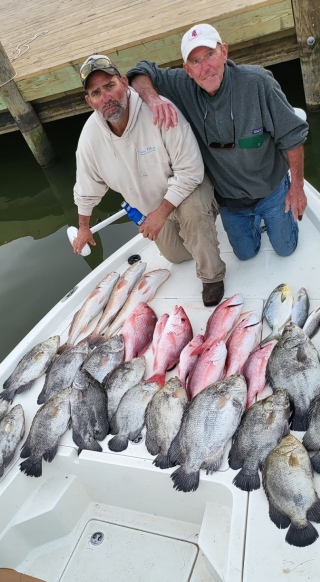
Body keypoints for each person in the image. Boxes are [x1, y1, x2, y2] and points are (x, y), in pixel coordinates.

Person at [126, 23, 309, 261]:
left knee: (286, 249)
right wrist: (153, 100)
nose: (205, 67)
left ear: (224, 52)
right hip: (232, 200)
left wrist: (297, 187)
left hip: (271, 189)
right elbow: (140, 71)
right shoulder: (183, 85)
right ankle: (252, 222)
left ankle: (279, 217)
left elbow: (292, 135)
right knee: (246, 254)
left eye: (210, 54)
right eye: (195, 61)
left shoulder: (258, 82)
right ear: (187, 70)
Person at [72, 54, 226, 306]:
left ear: (124, 82)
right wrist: (84, 226)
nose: (106, 97)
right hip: (151, 207)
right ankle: (200, 233)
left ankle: (212, 276)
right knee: (176, 257)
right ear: (90, 101)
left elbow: (191, 171)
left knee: (194, 215)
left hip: (187, 189)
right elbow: (87, 187)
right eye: (97, 93)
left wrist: (161, 214)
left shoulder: (159, 109)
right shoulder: (90, 138)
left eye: (110, 86)